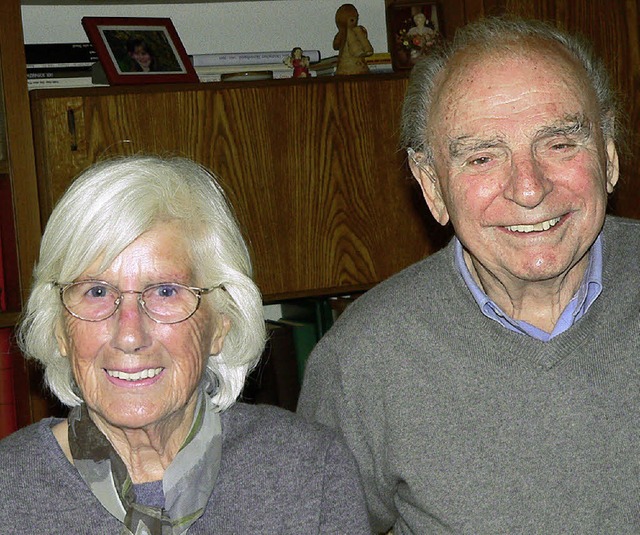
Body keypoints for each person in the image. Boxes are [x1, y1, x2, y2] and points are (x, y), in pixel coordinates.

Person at [298, 16, 640, 534]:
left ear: (609, 155)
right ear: (431, 186)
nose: (528, 188)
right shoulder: (363, 360)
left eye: (560, 144)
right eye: (482, 157)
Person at [0, 155, 370, 534]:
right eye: (96, 291)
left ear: (221, 322)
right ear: (60, 328)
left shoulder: (309, 471)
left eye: (165, 291)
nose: (130, 335)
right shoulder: (8, 494)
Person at [333, 3, 374, 75]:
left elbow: (364, 41)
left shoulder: (358, 31)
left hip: (359, 65)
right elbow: (336, 45)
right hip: (346, 66)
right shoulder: (343, 34)